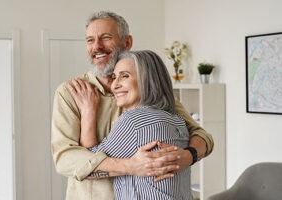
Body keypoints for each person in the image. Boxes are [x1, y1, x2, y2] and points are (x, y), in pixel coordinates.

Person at [51, 11, 214, 200]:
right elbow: (64, 159)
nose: (97, 46)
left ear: (127, 43)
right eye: (89, 40)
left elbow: (202, 136)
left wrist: (188, 156)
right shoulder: (70, 92)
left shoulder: (150, 93)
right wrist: (131, 166)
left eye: (106, 37)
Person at [76, 50, 193, 199]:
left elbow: (88, 165)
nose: (115, 85)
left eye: (125, 76)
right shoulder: (178, 120)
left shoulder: (134, 121)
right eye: (114, 77)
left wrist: (88, 111)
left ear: (147, 80)